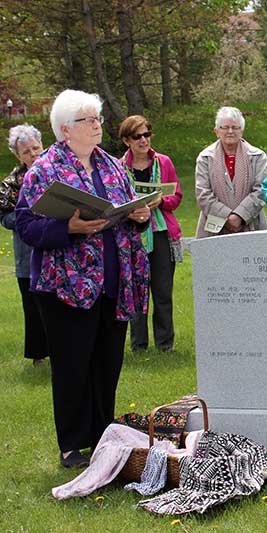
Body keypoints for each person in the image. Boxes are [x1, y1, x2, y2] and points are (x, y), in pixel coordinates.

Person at [15, 89, 150, 468]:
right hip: (65, 286)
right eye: (87, 120)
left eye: (97, 119)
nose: (96, 125)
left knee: (107, 363)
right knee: (73, 365)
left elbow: (122, 214)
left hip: (113, 280)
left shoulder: (112, 165)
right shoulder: (44, 169)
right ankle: (72, 444)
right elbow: (26, 224)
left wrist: (139, 217)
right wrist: (68, 227)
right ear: (64, 130)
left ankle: (103, 434)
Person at [119, 115, 183, 352]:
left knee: (163, 290)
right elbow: (114, 201)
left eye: (147, 134)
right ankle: (139, 345)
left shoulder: (163, 162)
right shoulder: (118, 167)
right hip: (133, 234)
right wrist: (132, 210)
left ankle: (165, 344)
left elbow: (176, 196)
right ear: (127, 140)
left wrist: (161, 201)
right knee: (137, 290)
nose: (144, 140)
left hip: (161, 231)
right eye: (138, 136)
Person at [1, 124, 48, 365]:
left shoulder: (56, 170)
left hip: (56, 249)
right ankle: (38, 355)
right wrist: (25, 216)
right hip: (27, 254)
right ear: (17, 156)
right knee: (32, 306)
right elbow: (5, 217)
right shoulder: (10, 184)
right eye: (26, 151)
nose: (33, 154)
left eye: (36, 148)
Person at [195, 106, 267, 238]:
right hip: (213, 229)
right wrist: (226, 217)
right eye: (225, 127)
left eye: (235, 127)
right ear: (216, 131)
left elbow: (261, 191)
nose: (230, 131)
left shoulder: (258, 156)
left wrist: (240, 216)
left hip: (252, 227)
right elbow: (202, 193)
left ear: (242, 131)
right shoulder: (205, 158)